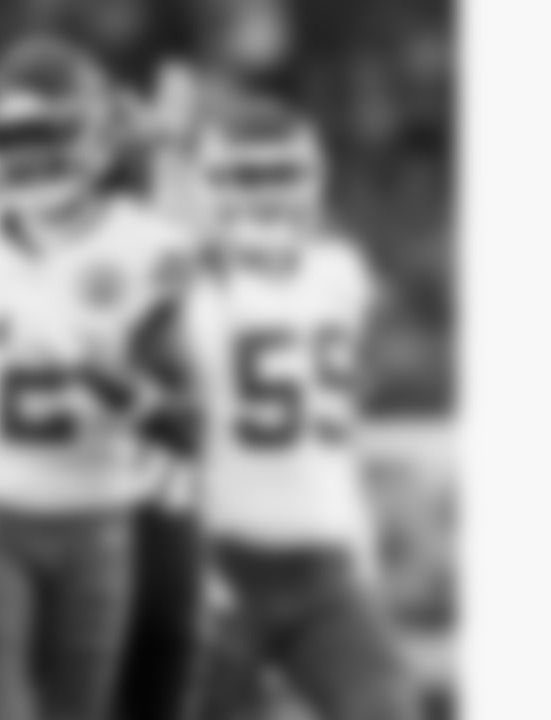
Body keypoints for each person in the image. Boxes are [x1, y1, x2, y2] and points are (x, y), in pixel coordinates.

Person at [0, 36, 202, 720]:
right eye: (11, 136)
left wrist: (108, 380)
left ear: (99, 140)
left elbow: (184, 419)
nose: (30, 156)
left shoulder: (145, 247)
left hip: (100, 520)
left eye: (49, 133)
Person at [179, 98, 420, 720]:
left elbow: (352, 382)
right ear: (205, 188)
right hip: (214, 565)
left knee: (387, 707)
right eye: (244, 176)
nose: (265, 194)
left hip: (324, 569)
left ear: (316, 181)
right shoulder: (180, 290)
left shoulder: (340, 274)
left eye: (282, 174)